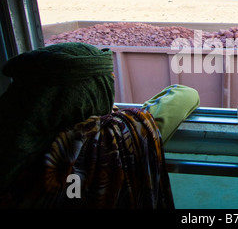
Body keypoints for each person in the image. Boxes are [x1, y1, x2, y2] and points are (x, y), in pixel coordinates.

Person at [0, 42, 200, 208]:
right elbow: (185, 94)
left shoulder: (12, 139)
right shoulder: (106, 139)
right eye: (106, 82)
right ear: (88, 95)